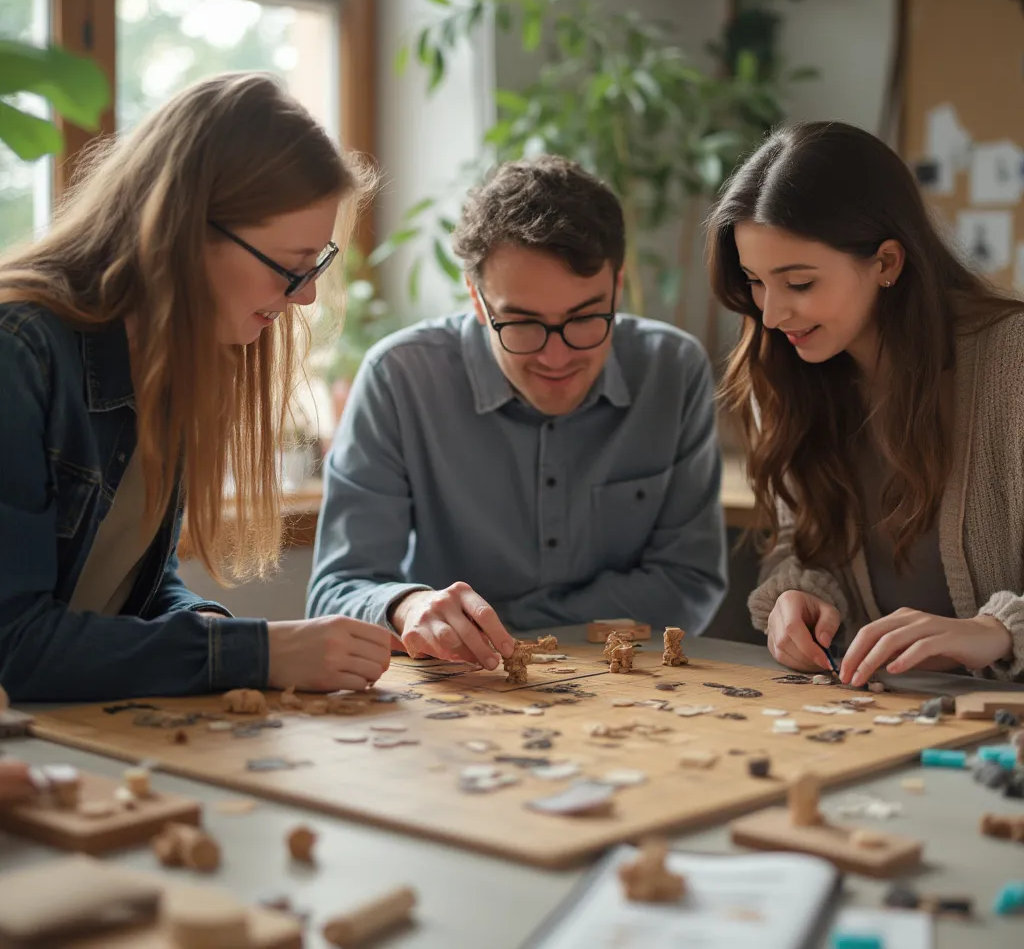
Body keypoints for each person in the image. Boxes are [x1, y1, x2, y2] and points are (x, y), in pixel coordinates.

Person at [0, 72, 391, 702]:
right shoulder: (19, 353)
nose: (306, 296)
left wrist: (207, 626)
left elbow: (134, 588)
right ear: (185, 231)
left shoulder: (178, 361)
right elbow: (12, 645)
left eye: (315, 265)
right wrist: (256, 653)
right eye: (291, 267)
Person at [308, 155, 727, 668]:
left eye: (584, 318)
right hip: (463, 684)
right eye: (523, 323)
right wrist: (408, 606)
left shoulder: (672, 370)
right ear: (477, 300)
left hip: (627, 681)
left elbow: (688, 582)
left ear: (617, 287)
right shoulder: (400, 378)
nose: (556, 357)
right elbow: (337, 591)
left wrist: (501, 625)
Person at [708, 120, 1024, 684]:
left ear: (886, 263)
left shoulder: (1011, 361)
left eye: (799, 283)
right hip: (881, 717)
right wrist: (798, 594)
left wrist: (998, 630)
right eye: (755, 280)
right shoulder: (783, 369)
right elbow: (798, 543)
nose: (771, 314)